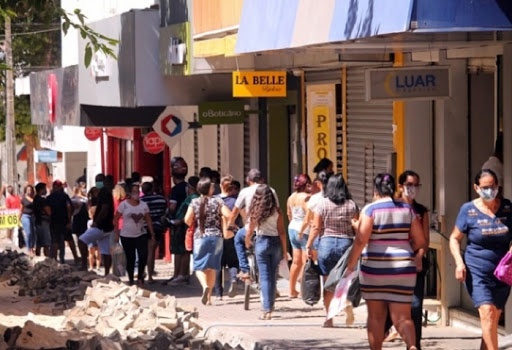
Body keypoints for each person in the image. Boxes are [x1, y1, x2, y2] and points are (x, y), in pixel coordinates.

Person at [344, 173, 426, 350]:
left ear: (375, 190)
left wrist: (351, 265)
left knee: (376, 317)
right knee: (403, 317)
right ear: (394, 188)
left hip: (374, 270)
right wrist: (403, 248)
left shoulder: (370, 210)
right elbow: (420, 241)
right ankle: (412, 346)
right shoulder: (407, 209)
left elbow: (360, 240)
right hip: (404, 269)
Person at [449, 169, 512, 350]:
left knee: (491, 320)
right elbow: (454, 238)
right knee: (486, 313)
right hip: (477, 271)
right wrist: (459, 263)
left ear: (498, 186)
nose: (489, 191)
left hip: (502, 273)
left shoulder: (507, 208)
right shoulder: (468, 210)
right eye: (485, 187)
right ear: (476, 188)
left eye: (492, 187)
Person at [306, 173, 359, 328]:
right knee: (345, 279)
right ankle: (346, 302)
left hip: (326, 245)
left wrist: (309, 245)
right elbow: (357, 227)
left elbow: (315, 227)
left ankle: (329, 318)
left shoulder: (322, 204)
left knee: (328, 283)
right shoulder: (352, 205)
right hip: (346, 245)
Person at [384, 170, 430, 349]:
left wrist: (419, 256)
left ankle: (414, 345)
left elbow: (425, 240)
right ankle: (384, 328)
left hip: (415, 266)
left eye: (416, 185)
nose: (412, 189)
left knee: (416, 306)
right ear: (400, 186)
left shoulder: (421, 211)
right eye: (409, 185)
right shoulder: (391, 207)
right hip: (393, 265)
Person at [184, 177, 231, 305]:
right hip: (216, 237)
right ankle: (209, 297)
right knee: (212, 267)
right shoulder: (218, 201)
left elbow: (187, 220)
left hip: (200, 236)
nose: (213, 188)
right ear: (208, 189)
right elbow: (228, 215)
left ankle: (205, 287)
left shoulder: (194, 202)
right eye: (211, 186)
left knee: (199, 266)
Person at [245, 184, 288, 320]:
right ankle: (270, 307)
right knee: (272, 276)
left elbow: (250, 230)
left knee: (264, 276)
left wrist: (247, 240)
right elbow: (282, 232)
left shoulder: (255, 212)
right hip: (275, 244)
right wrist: (285, 251)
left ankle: (266, 309)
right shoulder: (277, 211)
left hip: (262, 242)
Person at [228, 169, 280, 278]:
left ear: (248, 180)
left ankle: (245, 269)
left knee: (238, 239)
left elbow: (235, 212)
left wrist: (230, 224)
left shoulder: (245, 191)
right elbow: (278, 211)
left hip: (250, 228)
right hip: (269, 230)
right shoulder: (271, 190)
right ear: (262, 179)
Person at [114, 183, 156, 286]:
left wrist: (152, 233)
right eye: (134, 192)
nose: (136, 194)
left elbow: (148, 219)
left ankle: (140, 276)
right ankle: (131, 278)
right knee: (130, 258)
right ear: (129, 193)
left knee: (143, 255)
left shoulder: (143, 205)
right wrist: (116, 233)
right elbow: (116, 219)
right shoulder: (123, 205)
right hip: (126, 235)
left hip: (141, 234)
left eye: (138, 192)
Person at [166, 176, 200, 285]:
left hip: (184, 227)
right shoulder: (196, 198)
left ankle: (180, 275)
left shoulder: (192, 199)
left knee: (181, 251)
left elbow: (186, 215)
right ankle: (182, 274)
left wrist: (177, 221)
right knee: (185, 251)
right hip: (188, 227)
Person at [214, 175, 241, 299]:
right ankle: (233, 279)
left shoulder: (214, 200)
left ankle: (219, 293)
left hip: (217, 235)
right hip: (231, 234)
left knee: (218, 264)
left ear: (220, 186)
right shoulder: (236, 201)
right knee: (233, 261)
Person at [79, 187, 115, 276]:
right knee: (105, 252)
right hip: (108, 227)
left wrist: (96, 222)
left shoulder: (103, 196)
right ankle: (107, 273)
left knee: (81, 241)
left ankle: (84, 265)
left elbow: (104, 210)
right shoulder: (107, 196)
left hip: (100, 227)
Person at [287, 173, 311, 298]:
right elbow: (308, 216)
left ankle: (291, 290)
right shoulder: (307, 198)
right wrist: (303, 229)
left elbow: (289, 213)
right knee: (305, 261)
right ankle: (303, 291)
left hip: (292, 228)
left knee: (296, 262)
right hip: (303, 230)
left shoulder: (291, 197)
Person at [166, 156, 190, 283]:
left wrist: (167, 215)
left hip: (178, 223)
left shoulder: (175, 190)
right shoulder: (189, 187)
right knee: (186, 249)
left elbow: (172, 207)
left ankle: (178, 274)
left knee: (178, 250)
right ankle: (184, 274)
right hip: (189, 221)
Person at [300, 170, 332, 262]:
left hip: (318, 236)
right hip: (334, 235)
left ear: (318, 183)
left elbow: (308, 219)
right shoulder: (336, 198)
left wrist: (301, 232)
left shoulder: (314, 199)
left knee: (319, 264)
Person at [141, 181, 168, 284]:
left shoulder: (140, 201)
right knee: (151, 251)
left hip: (143, 228)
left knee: (144, 251)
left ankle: (143, 273)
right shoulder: (161, 199)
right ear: (152, 189)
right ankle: (150, 276)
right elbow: (165, 212)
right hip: (157, 227)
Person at [46, 180, 73, 264]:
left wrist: (49, 217)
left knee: (55, 241)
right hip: (64, 221)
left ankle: (54, 259)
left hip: (54, 221)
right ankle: (62, 258)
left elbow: (47, 210)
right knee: (65, 240)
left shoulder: (49, 197)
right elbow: (69, 208)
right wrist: (69, 220)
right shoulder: (65, 196)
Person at [71, 182, 90, 270]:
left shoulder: (85, 199)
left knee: (83, 241)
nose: (84, 189)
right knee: (80, 241)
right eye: (82, 187)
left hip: (84, 221)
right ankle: (83, 261)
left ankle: (85, 262)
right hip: (78, 220)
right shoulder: (74, 199)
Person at [33, 182, 51, 257]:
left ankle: (37, 258)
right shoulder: (42, 200)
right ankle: (47, 259)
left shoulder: (35, 198)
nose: (46, 190)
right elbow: (48, 211)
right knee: (46, 243)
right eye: (45, 189)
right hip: (43, 222)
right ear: (41, 189)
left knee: (39, 243)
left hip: (38, 221)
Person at [20, 185, 36, 255]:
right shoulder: (23, 199)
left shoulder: (35, 198)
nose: (29, 191)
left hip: (33, 216)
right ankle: (29, 249)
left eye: (30, 190)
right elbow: (21, 209)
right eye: (28, 190)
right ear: (26, 191)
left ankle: (33, 248)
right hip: (25, 216)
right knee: (28, 233)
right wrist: (18, 218)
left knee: (34, 233)